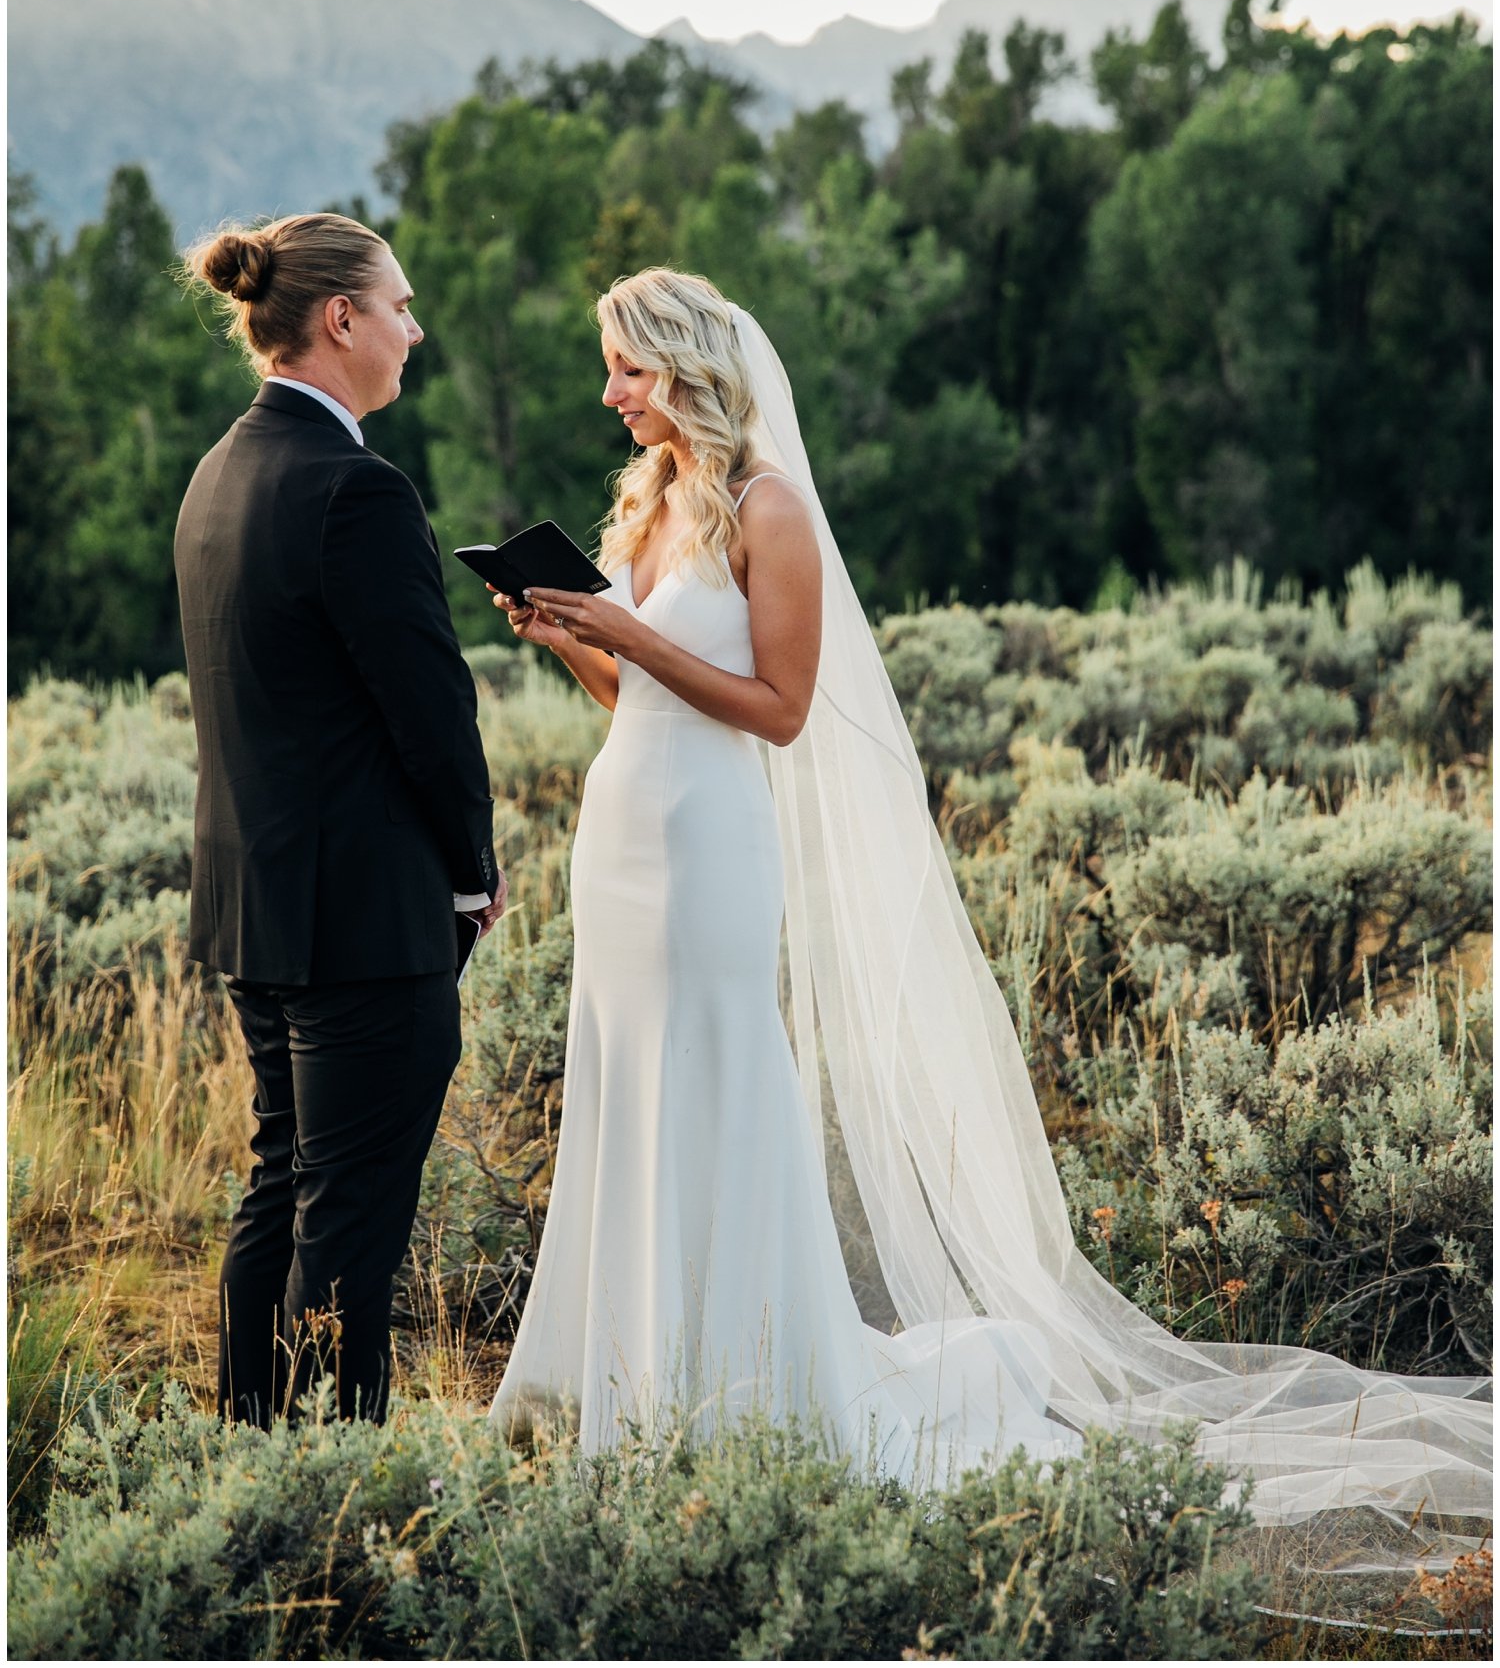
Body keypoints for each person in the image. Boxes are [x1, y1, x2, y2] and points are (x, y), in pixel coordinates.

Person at [487, 266, 1489, 1583]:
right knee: (632, 1084)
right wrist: (566, 631)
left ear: (684, 366)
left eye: (624, 366)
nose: (608, 391)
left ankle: (750, 1384)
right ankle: (637, 1380)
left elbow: (779, 706)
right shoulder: (645, 500)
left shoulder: (766, 507)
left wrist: (623, 624)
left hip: (713, 846)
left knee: (717, 1080)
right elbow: (637, 698)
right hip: (623, 833)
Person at [176, 212, 504, 1427]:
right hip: (365, 924)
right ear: (342, 319)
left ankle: (251, 1457)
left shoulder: (219, 472)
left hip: (257, 910)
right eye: (402, 306)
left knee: (282, 1187)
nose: (416, 329)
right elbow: (432, 713)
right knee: (351, 1221)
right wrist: (473, 870)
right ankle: (328, 1488)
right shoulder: (355, 489)